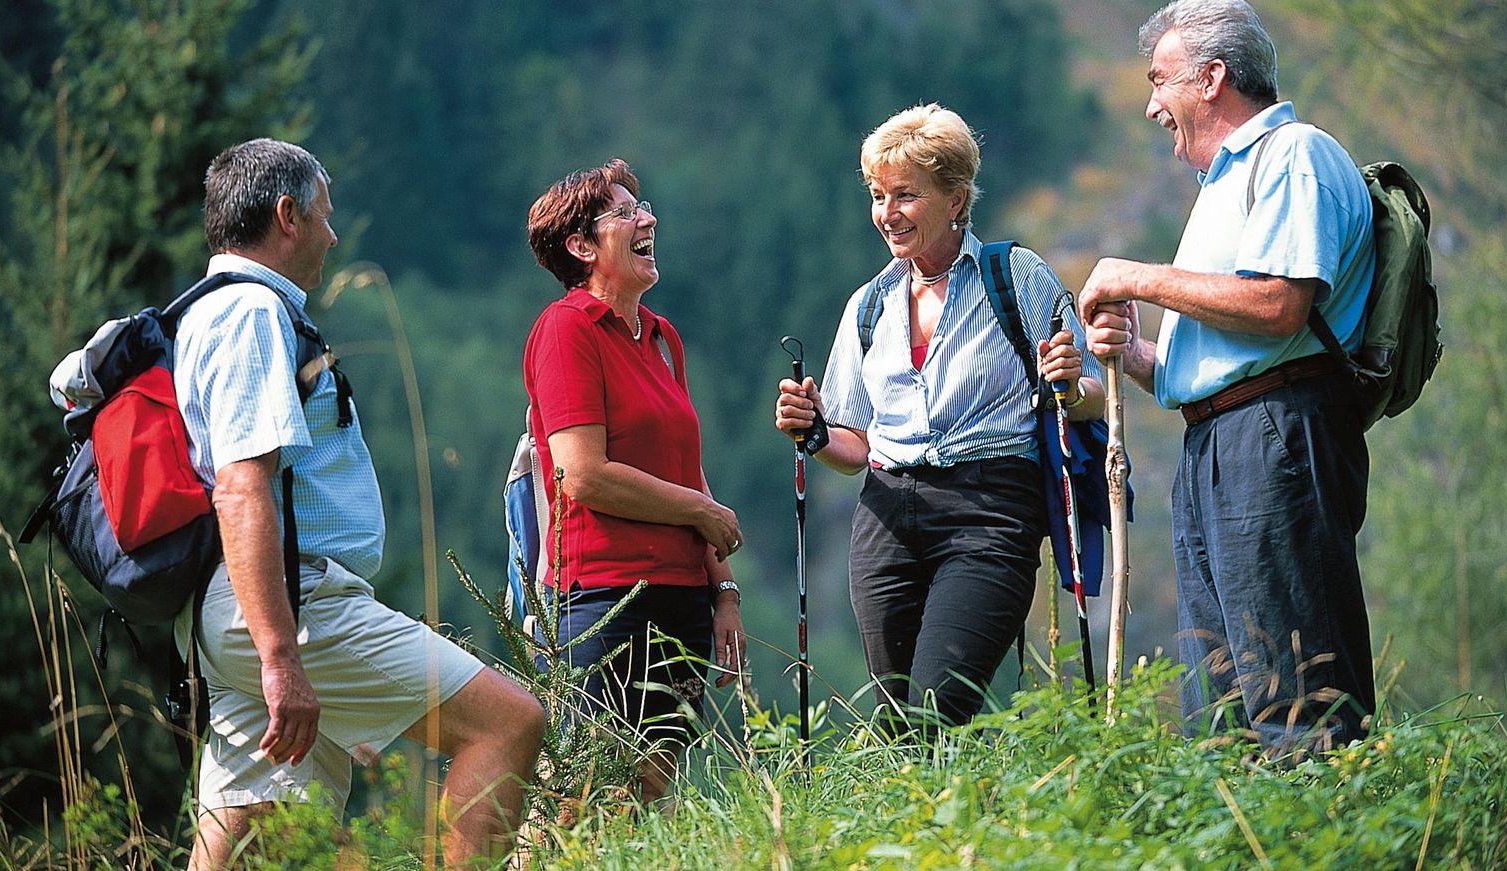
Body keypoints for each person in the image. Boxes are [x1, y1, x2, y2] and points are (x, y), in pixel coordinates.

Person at [174, 139, 544, 867]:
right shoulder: (252, 313)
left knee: (252, 824)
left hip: (239, 601)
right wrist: (281, 655)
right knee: (507, 723)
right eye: (324, 215)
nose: (334, 235)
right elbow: (241, 488)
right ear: (287, 216)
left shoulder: (206, 311)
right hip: (289, 600)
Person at [1078, 0, 1377, 753]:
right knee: (1221, 708)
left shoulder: (1294, 155)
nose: (1152, 104)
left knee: (1296, 691)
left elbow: (1278, 305)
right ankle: (1241, 819)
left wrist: (1139, 277)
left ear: (1211, 78)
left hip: (1274, 436)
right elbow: (1215, 365)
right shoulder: (1224, 184)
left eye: (1160, 79)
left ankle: (1326, 815)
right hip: (1221, 440)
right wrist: (1136, 353)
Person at [774, 104, 1104, 732]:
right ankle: (938, 801)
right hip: (885, 518)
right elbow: (854, 443)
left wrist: (1067, 382)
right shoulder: (868, 305)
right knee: (897, 725)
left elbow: (1091, 392)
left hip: (990, 511)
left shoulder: (1015, 277)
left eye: (905, 195)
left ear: (955, 199)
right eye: (878, 196)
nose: (887, 213)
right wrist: (813, 432)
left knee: (936, 713)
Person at [524, 159, 746, 802]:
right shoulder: (566, 328)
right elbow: (581, 474)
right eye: (624, 214)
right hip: (604, 600)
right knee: (588, 797)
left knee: (654, 792)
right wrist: (701, 513)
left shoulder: (662, 338)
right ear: (581, 246)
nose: (647, 219)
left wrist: (724, 590)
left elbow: (686, 469)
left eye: (642, 209)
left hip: (683, 598)